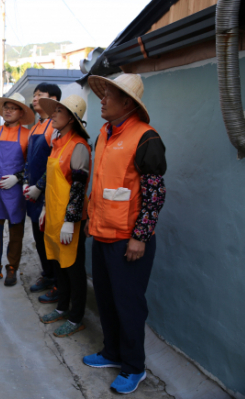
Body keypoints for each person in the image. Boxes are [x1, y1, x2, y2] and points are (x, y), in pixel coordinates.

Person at [82, 74, 167, 394]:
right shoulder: (104, 133)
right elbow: (103, 185)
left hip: (128, 240)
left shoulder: (145, 138)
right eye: (102, 94)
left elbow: (154, 194)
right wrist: (91, 220)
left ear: (128, 103)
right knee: (105, 299)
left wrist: (140, 237)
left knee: (128, 304)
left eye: (110, 95)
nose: (102, 99)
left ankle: (134, 367)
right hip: (103, 233)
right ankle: (112, 353)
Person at [36, 95, 91, 338]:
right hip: (54, 217)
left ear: (72, 118)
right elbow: (52, 183)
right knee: (58, 265)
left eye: (59, 111)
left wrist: (70, 221)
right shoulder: (57, 142)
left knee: (74, 269)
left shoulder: (78, 146)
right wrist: (46, 210)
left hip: (69, 220)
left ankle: (76, 316)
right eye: (54, 111)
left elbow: (78, 188)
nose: (53, 115)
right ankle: (61, 307)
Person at [0, 93, 34, 286]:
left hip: (16, 191)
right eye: (6, 107)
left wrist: (18, 178)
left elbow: (31, 163)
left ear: (21, 113)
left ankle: (12, 268)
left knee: (15, 231)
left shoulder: (28, 136)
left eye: (13, 108)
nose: (8, 111)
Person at [22, 83, 63, 302]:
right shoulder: (36, 127)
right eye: (35, 94)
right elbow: (30, 158)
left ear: (53, 99)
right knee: (38, 237)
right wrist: (26, 182)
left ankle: (58, 283)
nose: (35, 98)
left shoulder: (55, 127)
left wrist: (40, 186)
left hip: (47, 194)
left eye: (41, 95)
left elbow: (55, 162)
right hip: (33, 192)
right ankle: (47, 274)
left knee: (50, 239)